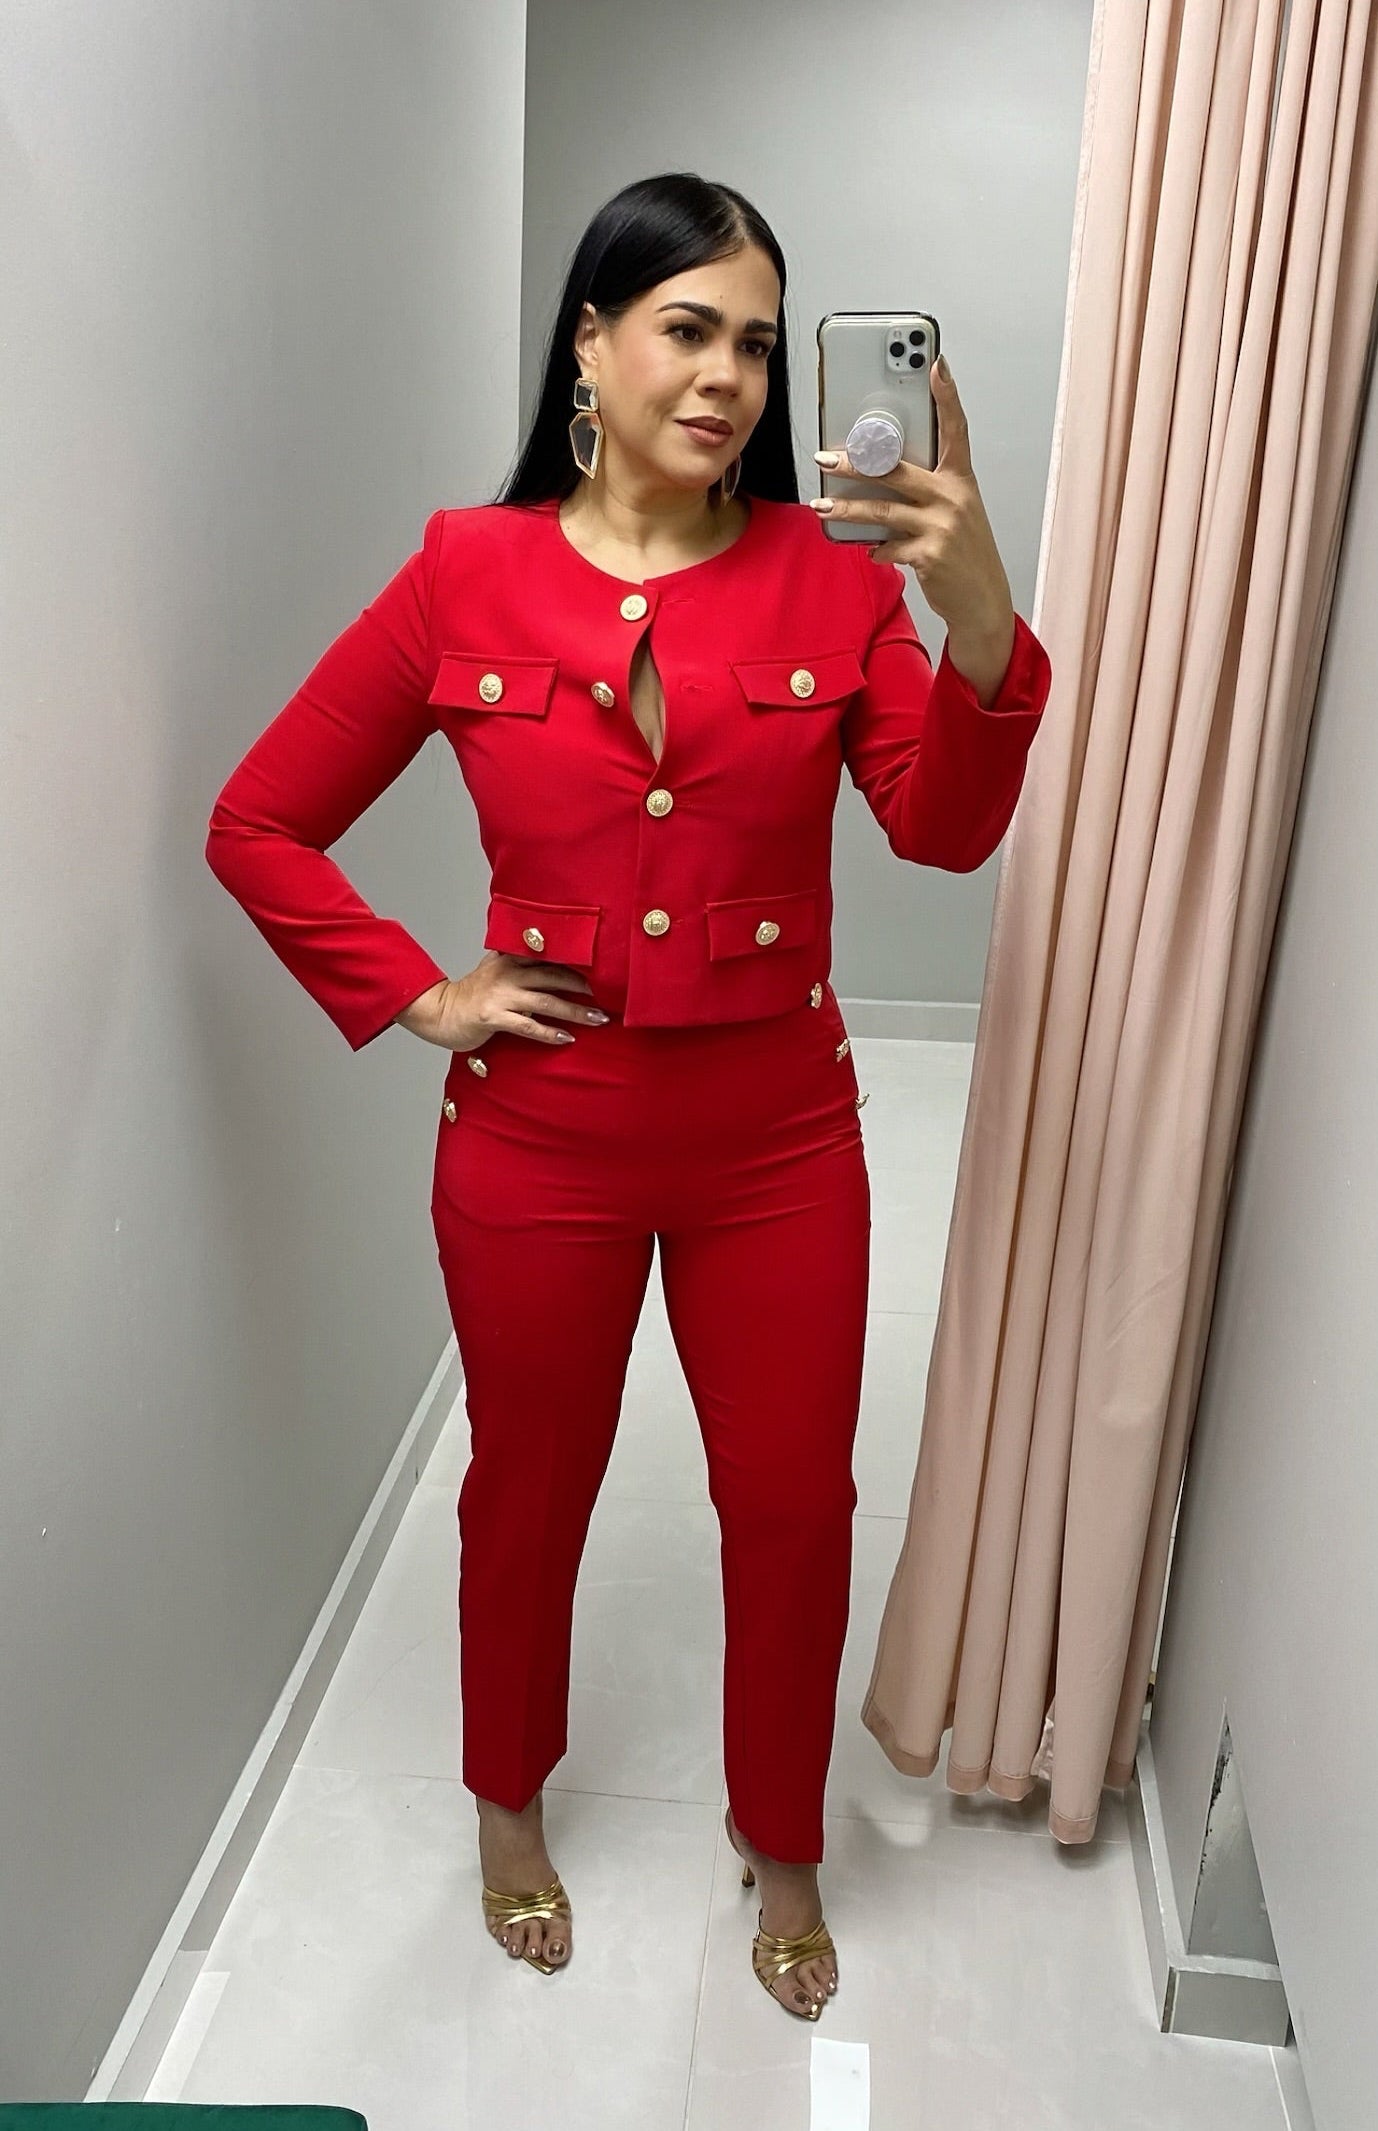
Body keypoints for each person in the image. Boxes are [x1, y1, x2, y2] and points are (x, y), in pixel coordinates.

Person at [204, 170, 1052, 2021]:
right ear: (588, 345)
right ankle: (507, 1805)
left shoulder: (836, 577)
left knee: (794, 1504)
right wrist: (421, 994)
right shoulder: (465, 569)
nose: (729, 376)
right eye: (686, 329)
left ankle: (782, 1835)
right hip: (540, 1138)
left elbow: (938, 829)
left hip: (779, 1139)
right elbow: (257, 822)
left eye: (756, 342)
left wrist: (978, 618)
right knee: (528, 1490)